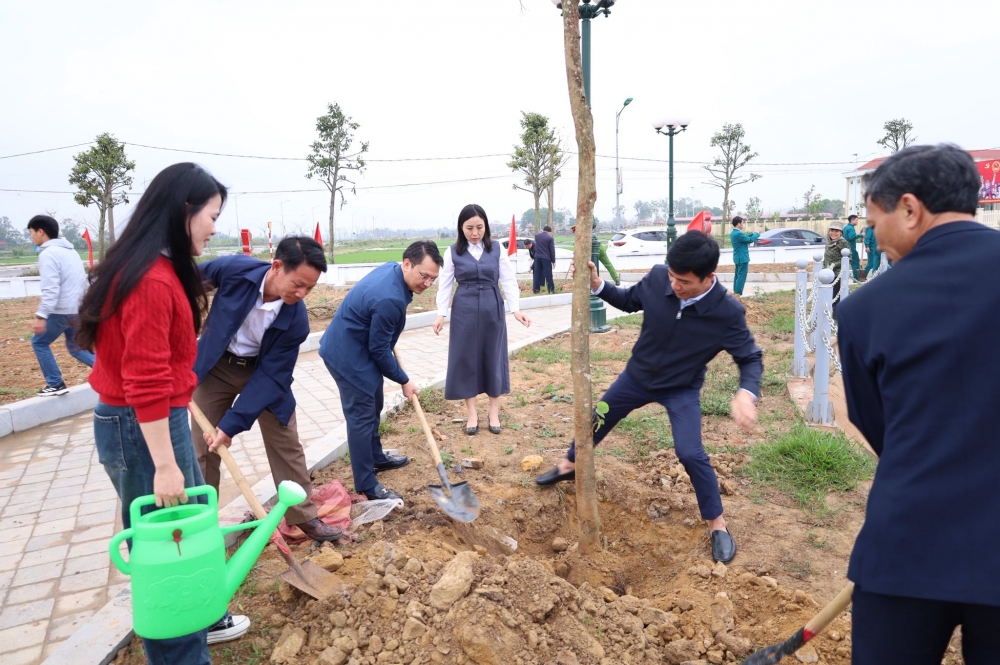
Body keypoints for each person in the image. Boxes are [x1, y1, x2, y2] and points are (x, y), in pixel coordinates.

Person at [837, 144, 1000, 664]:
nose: (874, 236)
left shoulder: (865, 309)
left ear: (909, 209)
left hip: (906, 551)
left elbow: (875, 424)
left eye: (874, 219)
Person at [76, 163, 245, 662]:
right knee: (169, 553)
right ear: (184, 211)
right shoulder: (151, 280)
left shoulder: (156, 267)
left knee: (185, 537)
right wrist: (167, 465)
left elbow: (156, 368)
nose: (216, 227)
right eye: (212, 216)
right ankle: (181, 653)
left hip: (149, 422)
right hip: (140, 427)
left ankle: (195, 633)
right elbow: (143, 379)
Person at [535, 232, 762, 564]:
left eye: (683, 281)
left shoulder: (727, 312)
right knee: (599, 415)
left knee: (690, 452)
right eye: (671, 276)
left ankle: (717, 524)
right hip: (637, 377)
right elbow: (628, 300)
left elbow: (750, 358)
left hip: (681, 388)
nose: (674, 285)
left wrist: (746, 392)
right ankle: (569, 463)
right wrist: (598, 284)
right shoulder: (659, 277)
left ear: (708, 278)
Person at [189, 236, 343, 544]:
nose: (302, 294)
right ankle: (200, 524)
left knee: (285, 441)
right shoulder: (235, 270)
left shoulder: (296, 320)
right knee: (203, 448)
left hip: (262, 373)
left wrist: (231, 425)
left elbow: (272, 378)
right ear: (276, 266)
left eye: (310, 289)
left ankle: (304, 516)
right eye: (298, 284)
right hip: (217, 367)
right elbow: (186, 283)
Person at [319, 241, 443, 501]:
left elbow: (379, 342)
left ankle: (375, 456)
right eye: (424, 276)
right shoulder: (390, 298)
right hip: (349, 356)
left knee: (374, 401)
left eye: (433, 279)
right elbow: (379, 351)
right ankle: (366, 484)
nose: (427, 284)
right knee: (362, 417)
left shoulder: (392, 270)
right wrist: (404, 379)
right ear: (407, 263)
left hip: (356, 346)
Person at [432, 205, 532, 435]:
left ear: (485, 227)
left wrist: (516, 309)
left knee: (493, 356)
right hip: (464, 308)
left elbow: (507, 280)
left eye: (479, 227)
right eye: (469, 228)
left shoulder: (497, 249)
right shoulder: (452, 252)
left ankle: (494, 411)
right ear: (461, 228)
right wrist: (440, 313)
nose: (475, 232)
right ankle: (472, 413)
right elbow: (445, 284)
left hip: (491, 306)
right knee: (466, 357)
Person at [27, 215, 95, 396]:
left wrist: (41, 316)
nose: (31, 237)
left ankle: (55, 382)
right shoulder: (70, 251)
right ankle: (113, 373)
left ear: (41, 232)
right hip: (77, 308)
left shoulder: (48, 253)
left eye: (31, 233)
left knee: (39, 342)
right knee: (76, 348)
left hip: (61, 311)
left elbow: (51, 289)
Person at [728, 216, 759, 296]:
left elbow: (744, 238)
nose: (743, 224)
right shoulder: (738, 233)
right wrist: (757, 233)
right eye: (742, 223)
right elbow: (749, 240)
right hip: (742, 258)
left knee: (737, 276)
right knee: (741, 276)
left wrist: (753, 233)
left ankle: (736, 293)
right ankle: (738, 294)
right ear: (738, 224)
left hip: (737, 257)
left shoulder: (734, 233)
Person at [532, 225, 556, 294]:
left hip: (537, 257)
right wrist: (553, 261)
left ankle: (536, 290)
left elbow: (536, 246)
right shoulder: (550, 238)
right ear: (549, 232)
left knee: (536, 274)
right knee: (548, 274)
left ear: (543, 230)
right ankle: (551, 290)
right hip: (546, 258)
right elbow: (552, 250)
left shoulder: (537, 236)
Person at [843, 214, 862, 280]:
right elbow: (852, 237)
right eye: (856, 220)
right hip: (852, 248)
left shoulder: (845, 227)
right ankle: (856, 279)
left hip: (845, 248)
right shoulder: (851, 228)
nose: (857, 222)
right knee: (855, 264)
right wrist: (861, 235)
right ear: (852, 220)